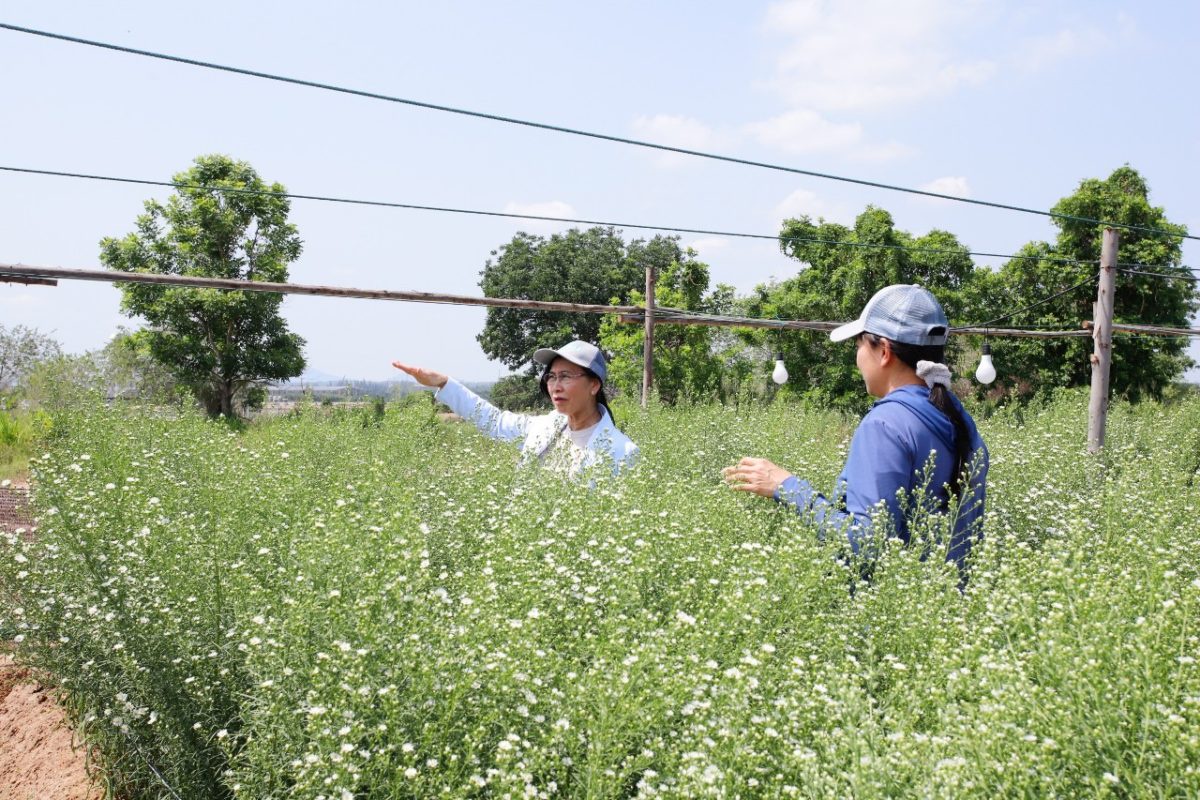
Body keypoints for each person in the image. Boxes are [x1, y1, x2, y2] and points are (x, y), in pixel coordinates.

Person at [723, 284, 989, 571]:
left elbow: (866, 542)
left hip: (889, 607)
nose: (857, 358)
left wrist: (785, 487)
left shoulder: (885, 424)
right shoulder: (957, 416)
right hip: (948, 603)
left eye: (859, 345)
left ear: (884, 351)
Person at [393, 340, 638, 477]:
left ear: (594, 384)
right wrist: (444, 383)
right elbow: (493, 420)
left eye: (566, 376)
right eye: (551, 377)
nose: (555, 386)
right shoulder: (544, 427)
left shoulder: (623, 452)